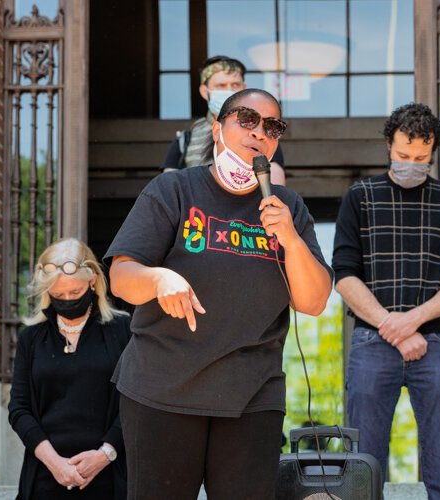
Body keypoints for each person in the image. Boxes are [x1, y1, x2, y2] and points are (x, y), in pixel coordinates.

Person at [105, 88, 332, 499]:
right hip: (163, 390)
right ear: (217, 128)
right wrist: (158, 279)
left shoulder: (288, 206)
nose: (259, 132)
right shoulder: (173, 190)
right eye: (246, 119)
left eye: (272, 126)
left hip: (252, 395)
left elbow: (314, 302)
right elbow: (121, 277)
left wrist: (292, 241)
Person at [332, 103, 440, 500]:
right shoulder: (360, 197)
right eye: (402, 156)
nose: (411, 164)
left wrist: (412, 321)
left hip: (436, 345)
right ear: (388, 146)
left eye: (421, 159)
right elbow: (344, 275)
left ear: (433, 154)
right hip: (371, 343)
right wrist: (393, 328)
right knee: (364, 464)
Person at [8, 238, 131, 500]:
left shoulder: (122, 331)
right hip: (45, 475)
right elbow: (19, 409)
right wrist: (55, 463)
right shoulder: (30, 339)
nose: (67, 300)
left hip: (108, 475)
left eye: (75, 293)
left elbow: (134, 402)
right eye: (57, 295)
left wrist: (105, 454)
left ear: (93, 281)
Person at [161, 55, 286, 185]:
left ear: (244, 88)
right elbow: (168, 190)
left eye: (235, 85)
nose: (229, 90)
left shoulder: (262, 136)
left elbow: (275, 188)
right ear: (205, 91)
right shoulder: (185, 140)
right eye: (221, 85)